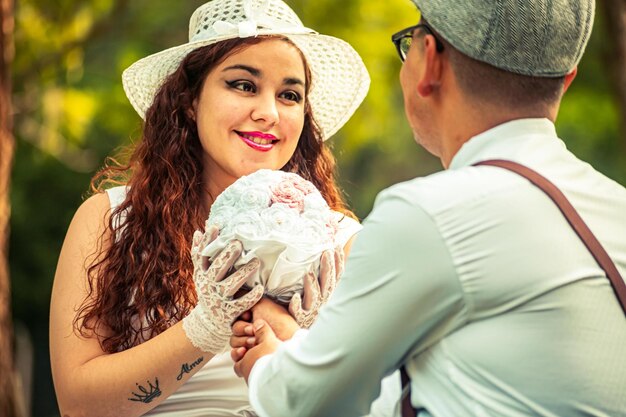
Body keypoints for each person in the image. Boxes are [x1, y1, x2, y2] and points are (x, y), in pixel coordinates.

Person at [230, 0, 626, 416]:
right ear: (566, 80)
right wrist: (299, 346)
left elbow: (306, 403)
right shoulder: (615, 206)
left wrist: (265, 364)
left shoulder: (428, 214)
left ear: (430, 62)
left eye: (410, 43)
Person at [48, 0, 371, 416]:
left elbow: (371, 400)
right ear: (188, 100)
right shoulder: (110, 221)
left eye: (289, 95)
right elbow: (78, 405)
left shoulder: (339, 242)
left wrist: (298, 341)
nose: (268, 113)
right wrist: (206, 327)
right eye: (243, 85)